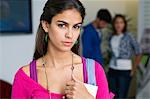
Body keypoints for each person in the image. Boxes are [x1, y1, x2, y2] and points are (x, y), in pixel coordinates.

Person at [11, 0, 114, 99]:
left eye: (76, 27)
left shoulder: (95, 71)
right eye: (62, 25)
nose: (70, 35)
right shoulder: (25, 76)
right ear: (46, 25)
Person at [107, 14, 142, 98]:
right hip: (112, 69)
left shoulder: (129, 36)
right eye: (116, 22)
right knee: (112, 95)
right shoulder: (111, 37)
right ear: (113, 24)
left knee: (121, 96)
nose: (119, 25)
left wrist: (133, 69)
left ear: (124, 24)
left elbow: (139, 52)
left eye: (121, 22)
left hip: (125, 70)